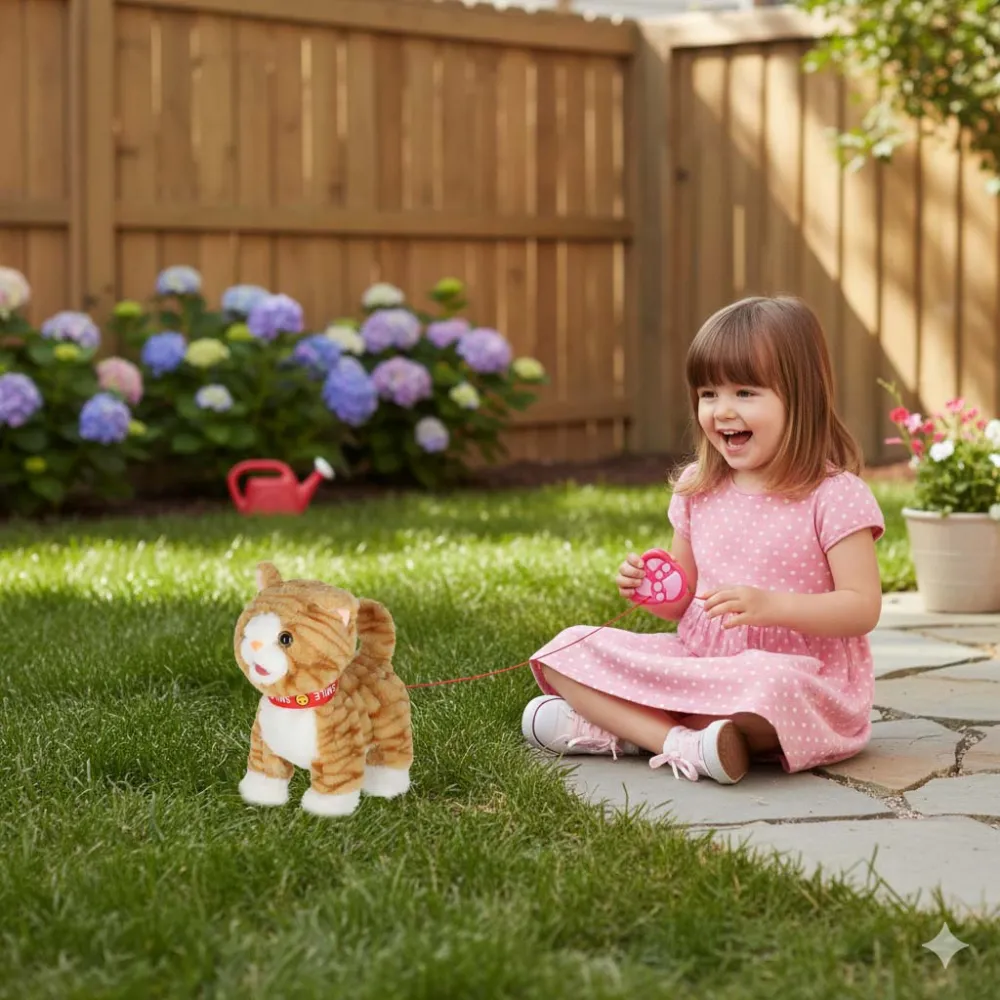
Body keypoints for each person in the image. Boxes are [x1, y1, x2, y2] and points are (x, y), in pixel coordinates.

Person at [522, 296, 885, 784]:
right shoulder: (699, 487)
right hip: (699, 661)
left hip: (797, 677)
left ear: (801, 398)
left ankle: (625, 729)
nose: (722, 410)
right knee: (566, 649)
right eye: (708, 393)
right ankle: (680, 743)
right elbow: (682, 601)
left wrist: (772, 606)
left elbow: (862, 607)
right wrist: (651, 591)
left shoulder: (834, 495)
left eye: (745, 392)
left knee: (769, 688)